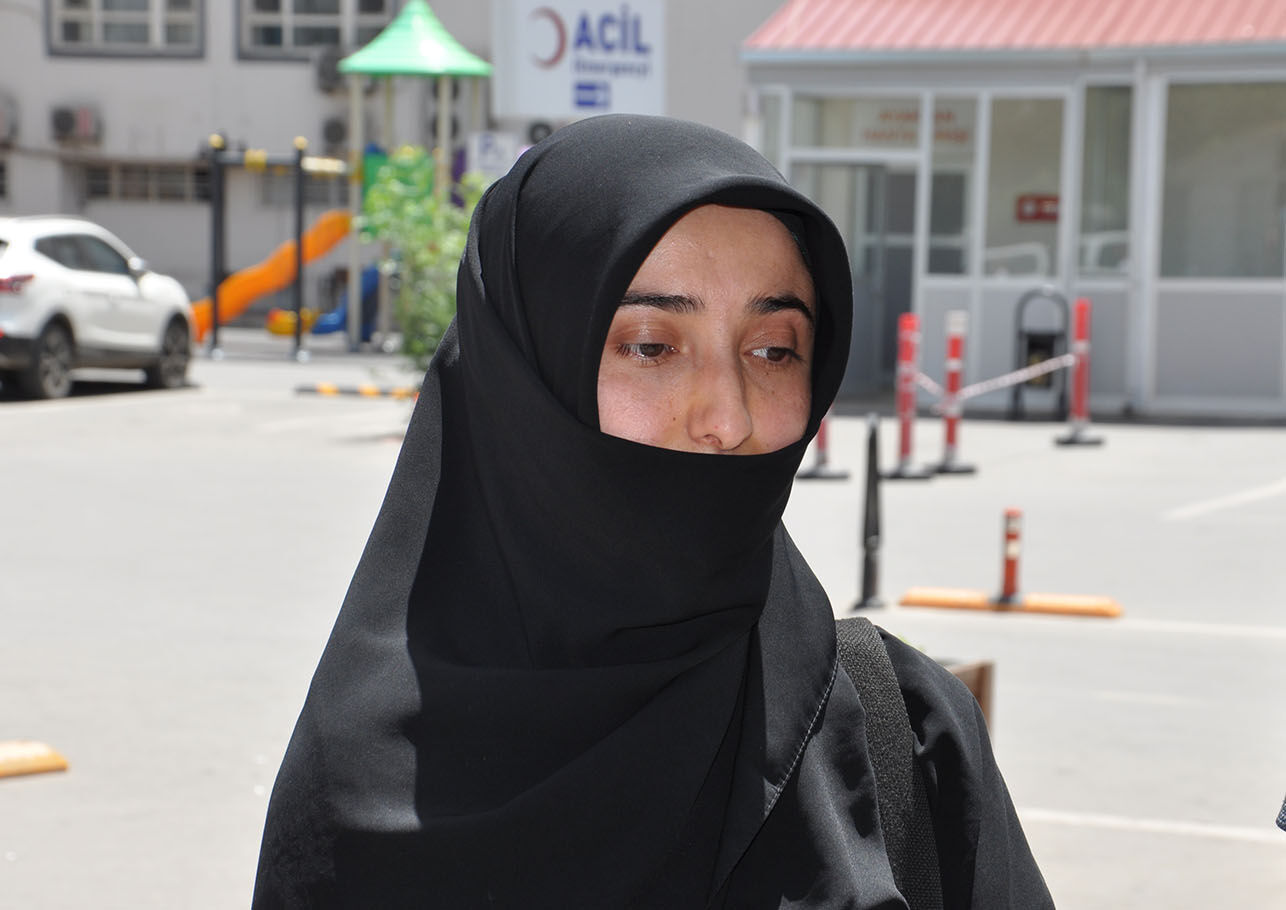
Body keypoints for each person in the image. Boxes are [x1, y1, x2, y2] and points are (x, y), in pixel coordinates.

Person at [252, 115, 1053, 908]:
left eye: (774, 350)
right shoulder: (359, 802)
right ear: (521, 382)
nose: (728, 416)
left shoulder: (904, 739)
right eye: (651, 345)